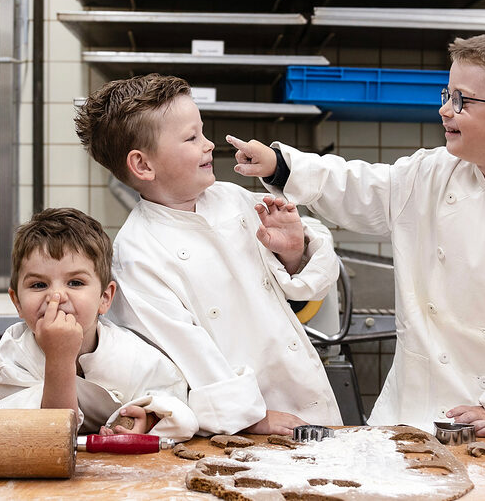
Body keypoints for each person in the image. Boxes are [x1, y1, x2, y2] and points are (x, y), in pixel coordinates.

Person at [229, 33, 485, 435]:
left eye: (462, 100)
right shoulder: (434, 171)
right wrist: (281, 166)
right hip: (403, 415)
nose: (445, 110)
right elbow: (363, 188)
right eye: (446, 93)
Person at [75, 74, 343, 436]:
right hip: (237, 430)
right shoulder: (137, 254)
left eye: (202, 132)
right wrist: (252, 418)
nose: (208, 144)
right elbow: (184, 356)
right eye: (192, 137)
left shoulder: (231, 199)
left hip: (306, 397)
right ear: (143, 166)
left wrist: (295, 251)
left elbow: (304, 283)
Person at [0, 207, 197, 440]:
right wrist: (59, 358)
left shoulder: (133, 355)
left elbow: (180, 409)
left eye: (75, 282)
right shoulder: (15, 356)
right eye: (39, 285)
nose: (56, 296)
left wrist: (147, 419)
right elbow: (48, 435)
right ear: (17, 301)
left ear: (105, 298)